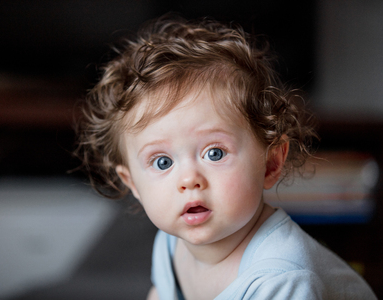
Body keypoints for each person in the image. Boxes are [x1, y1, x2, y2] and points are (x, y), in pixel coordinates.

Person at [75, 15, 377, 299]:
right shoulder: (172, 242)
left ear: (270, 163)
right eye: (162, 162)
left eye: (215, 153)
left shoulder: (282, 277)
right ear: (134, 185)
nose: (188, 180)